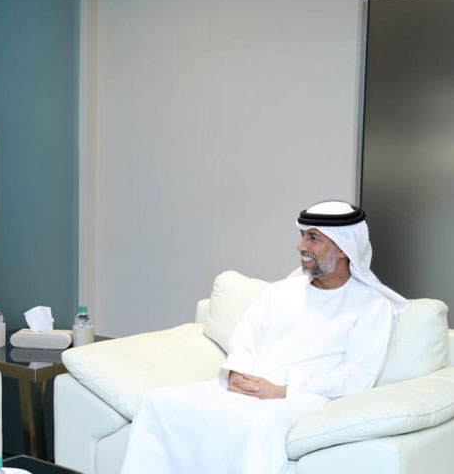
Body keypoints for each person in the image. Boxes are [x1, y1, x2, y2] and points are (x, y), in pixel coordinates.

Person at [120, 201, 408, 474]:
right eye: (302, 236)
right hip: (250, 386)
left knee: (255, 422)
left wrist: (283, 390)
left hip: (306, 397)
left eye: (313, 238)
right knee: (157, 401)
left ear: (343, 248)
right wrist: (237, 372)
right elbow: (244, 339)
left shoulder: (371, 306)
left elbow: (358, 376)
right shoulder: (280, 292)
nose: (301, 246)